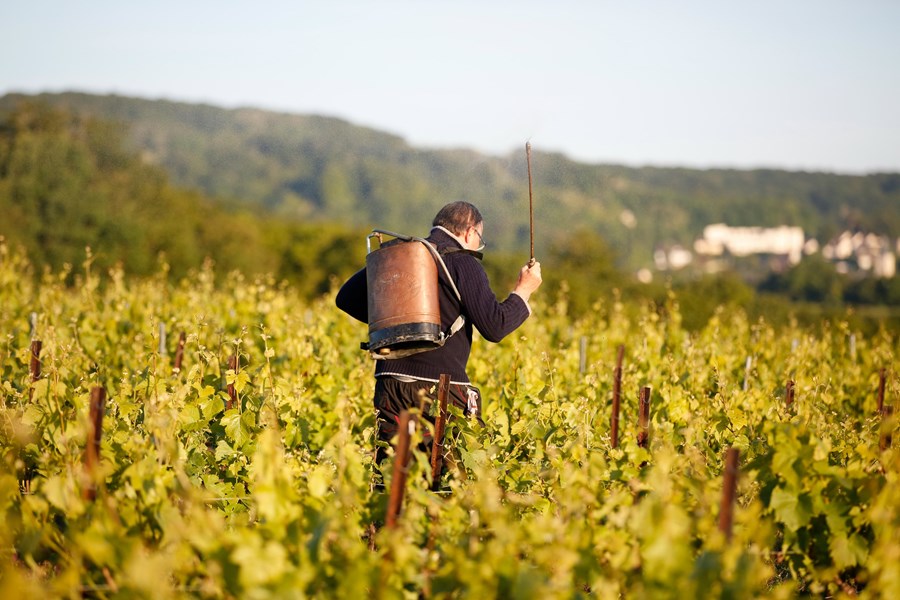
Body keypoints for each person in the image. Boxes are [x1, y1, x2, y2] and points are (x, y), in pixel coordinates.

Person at [335, 201, 543, 466]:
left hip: (390, 386)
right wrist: (524, 290)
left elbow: (345, 298)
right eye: (480, 238)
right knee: (455, 487)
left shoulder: (401, 255)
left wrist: (395, 319)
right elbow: (495, 326)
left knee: (394, 486)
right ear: (470, 233)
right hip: (440, 391)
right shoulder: (462, 262)